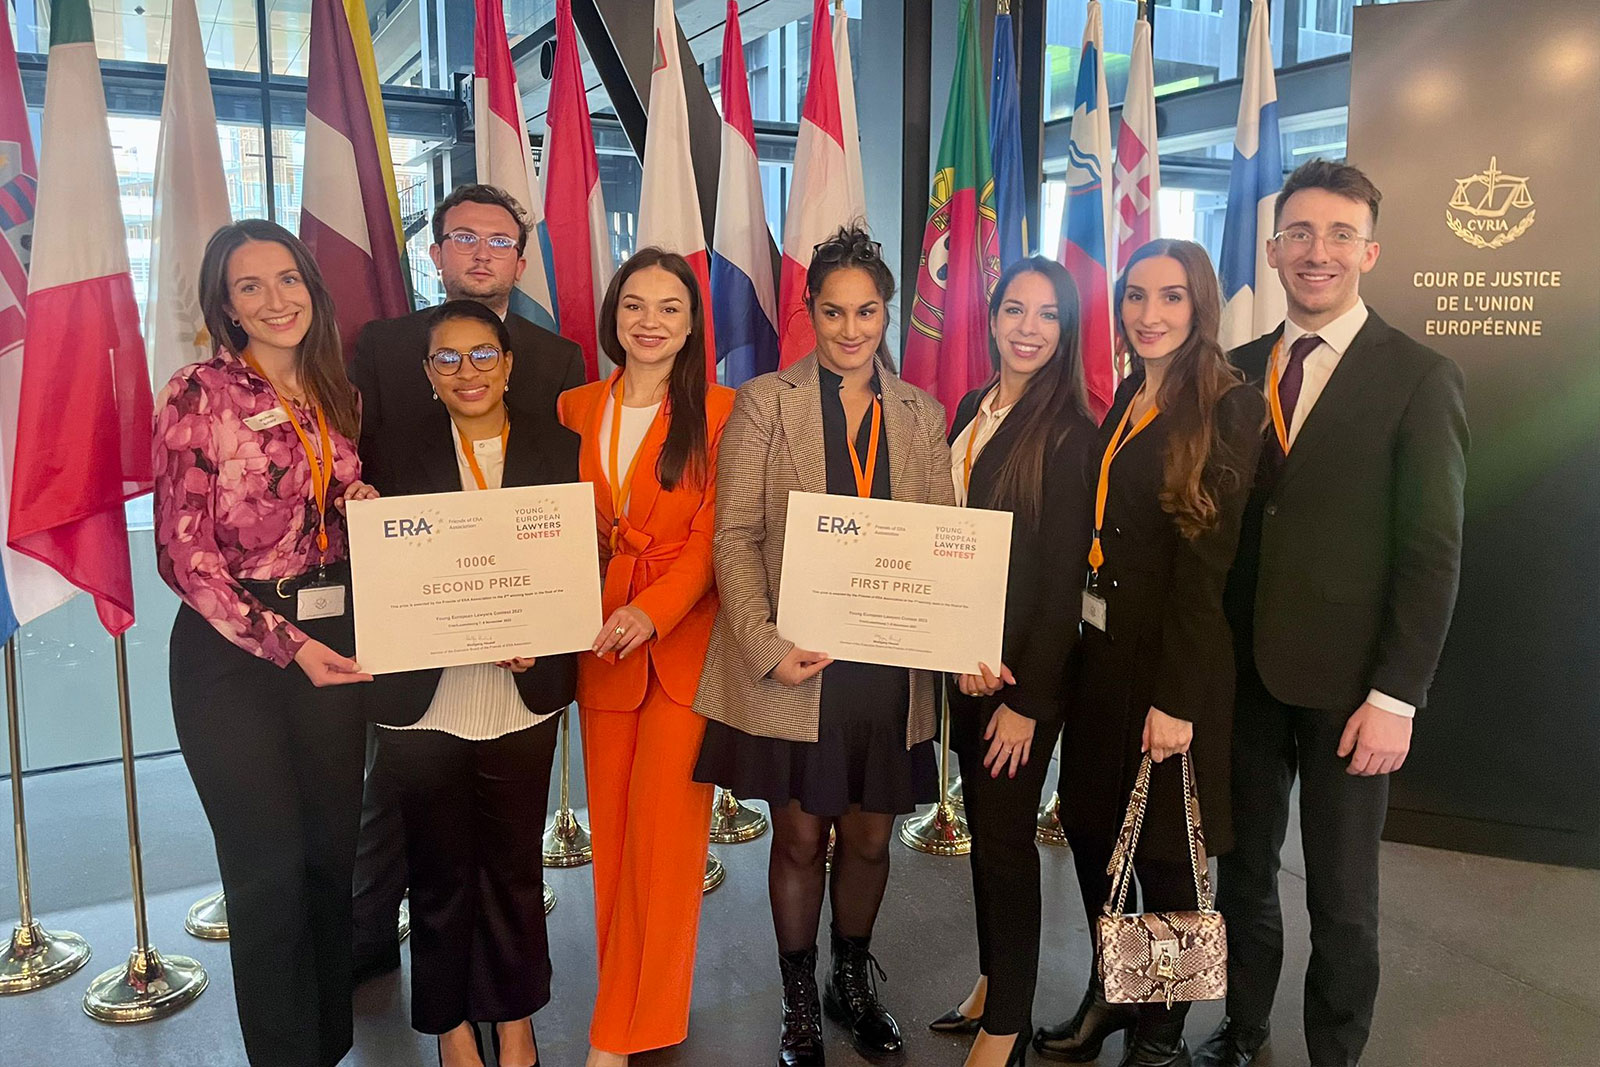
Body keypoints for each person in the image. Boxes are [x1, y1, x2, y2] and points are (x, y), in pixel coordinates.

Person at [1195, 161, 1467, 1067]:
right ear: (1273, 250)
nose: (1319, 252)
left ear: (1371, 251)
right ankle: (1241, 1032)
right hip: (1240, 676)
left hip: (1354, 691)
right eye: (1301, 234)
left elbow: (1433, 550)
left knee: (1345, 897)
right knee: (1242, 875)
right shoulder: (1231, 374)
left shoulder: (1420, 377)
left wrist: (1399, 693)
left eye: (1341, 234)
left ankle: (1334, 1055)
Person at [693, 225, 949, 1067]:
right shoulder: (764, 400)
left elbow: (945, 543)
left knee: (872, 839)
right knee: (801, 838)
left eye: (866, 311)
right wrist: (765, 645)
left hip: (887, 666)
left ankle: (850, 977)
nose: (850, 329)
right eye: (833, 311)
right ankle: (797, 994)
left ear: (887, 312)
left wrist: (960, 633)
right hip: (798, 668)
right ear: (809, 311)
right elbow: (733, 536)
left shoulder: (921, 413)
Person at [1034, 240, 1266, 1067]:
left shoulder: (1229, 408)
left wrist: (1177, 702)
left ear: (1200, 305)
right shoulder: (1133, 389)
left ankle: (1160, 1037)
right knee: (1096, 833)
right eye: (1136, 296)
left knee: (1165, 858)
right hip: (1102, 658)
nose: (1149, 313)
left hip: (1171, 669)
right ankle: (1113, 992)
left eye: (1170, 297)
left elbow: (1208, 575)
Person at [347, 183, 585, 980]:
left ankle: (504, 1000)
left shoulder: (559, 359)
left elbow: (560, 505)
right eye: (462, 237)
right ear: (437, 252)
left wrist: (544, 617)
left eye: (498, 238)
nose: (481, 251)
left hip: (519, 644)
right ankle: (370, 942)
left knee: (504, 844)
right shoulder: (381, 344)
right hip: (419, 633)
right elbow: (362, 467)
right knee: (406, 819)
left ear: (520, 257)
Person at [154, 219, 375, 1067]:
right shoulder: (200, 393)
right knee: (268, 872)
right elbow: (182, 553)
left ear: (311, 288)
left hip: (332, 639)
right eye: (251, 286)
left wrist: (369, 510)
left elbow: (330, 506)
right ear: (226, 303)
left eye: (288, 280)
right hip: (233, 657)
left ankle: (327, 1045)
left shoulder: (334, 390)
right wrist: (289, 643)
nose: (275, 300)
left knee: (329, 859)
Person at [557, 249, 735, 1067]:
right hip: (595, 641)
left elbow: (712, 544)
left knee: (664, 849)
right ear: (614, 315)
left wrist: (651, 612)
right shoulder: (571, 407)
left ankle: (619, 1033)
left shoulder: (723, 411)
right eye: (635, 304)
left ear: (693, 323)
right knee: (614, 843)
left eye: (670, 306)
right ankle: (630, 1008)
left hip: (678, 648)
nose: (651, 321)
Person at [930, 256, 1098, 1067]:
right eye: (1014, 310)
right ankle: (994, 980)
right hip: (964, 668)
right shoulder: (973, 405)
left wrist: (1029, 701)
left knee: (1004, 844)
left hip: (1018, 686)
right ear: (992, 318)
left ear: (1066, 332)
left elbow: (1063, 580)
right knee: (984, 836)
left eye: (1048, 315)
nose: (1028, 327)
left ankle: (1010, 1026)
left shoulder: (1071, 432)